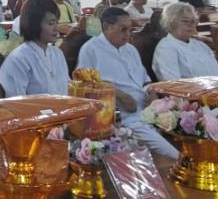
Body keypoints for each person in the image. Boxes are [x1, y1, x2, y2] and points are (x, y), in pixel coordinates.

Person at [76, 8, 178, 159]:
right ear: (106, 27)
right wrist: (121, 95)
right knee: (172, 153)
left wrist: (152, 93)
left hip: (149, 109)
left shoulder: (131, 49)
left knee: (184, 133)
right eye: (123, 29)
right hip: (122, 115)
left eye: (130, 29)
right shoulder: (91, 49)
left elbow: (145, 78)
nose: (128, 34)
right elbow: (84, 84)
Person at [0, 0, 70, 96]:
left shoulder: (57, 53)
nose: (56, 28)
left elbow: (67, 91)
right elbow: (15, 103)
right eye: (50, 23)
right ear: (34, 25)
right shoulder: (19, 59)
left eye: (56, 23)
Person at [152, 1, 218, 80]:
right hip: (190, 91)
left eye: (193, 21)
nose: (191, 25)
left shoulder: (201, 45)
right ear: (171, 23)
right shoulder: (166, 48)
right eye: (185, 21)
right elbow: (172, 84)